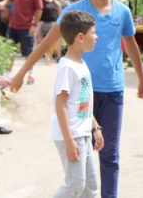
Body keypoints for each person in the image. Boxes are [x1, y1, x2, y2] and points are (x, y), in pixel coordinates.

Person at [12, 0, 143, 198]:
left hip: (113, 88)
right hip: (83, 92)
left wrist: (141, 78)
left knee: (110, 153)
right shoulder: (73, 13)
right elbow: (47, 43)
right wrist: (22, 73)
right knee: (82, 154)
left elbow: (131, 46)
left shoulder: (122, 11)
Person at [52, 10, 105, 198]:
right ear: (80, 37)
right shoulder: (67, 67)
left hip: (83, 134)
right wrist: (69, 141)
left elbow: (84, 102)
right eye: (93, 32)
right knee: (75, 184)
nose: (96, 36)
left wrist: (95, 127)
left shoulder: (81, 64)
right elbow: (61, 106)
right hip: (72, 135)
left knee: (90, 188)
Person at [0, 0, 43, 84]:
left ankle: (30, 74)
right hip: (13, 25)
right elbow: (8, 0)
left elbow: (39, 9)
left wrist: (34, 25)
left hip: (26, 27)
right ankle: (9, 74)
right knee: (10, 50)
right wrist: (2, 4)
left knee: (27, 52)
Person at [37, 0, 63, 64]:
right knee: (45, 41)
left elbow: (59, 11)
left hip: (54, 23)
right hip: (44, 23)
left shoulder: (55, 1)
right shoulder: (42, 0)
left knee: (54, 42)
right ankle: (48, 56)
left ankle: (49, 56)